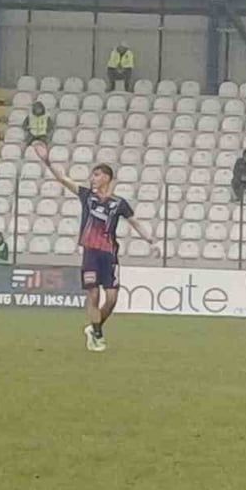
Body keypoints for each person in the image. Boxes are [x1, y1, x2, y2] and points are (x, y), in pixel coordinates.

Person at [37, 147, 158, 352]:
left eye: (97, 174)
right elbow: (63, 179)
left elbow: (134, 222)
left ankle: (94, 328)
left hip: (110, 254)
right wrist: (48, 162)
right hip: (91, 253)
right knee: (93, 295)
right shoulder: (86, 196)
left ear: (107, 178)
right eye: (93, 175)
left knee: (111, 299)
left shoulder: (119, 203)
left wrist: (151, 240)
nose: (92, 178)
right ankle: (97, 335)